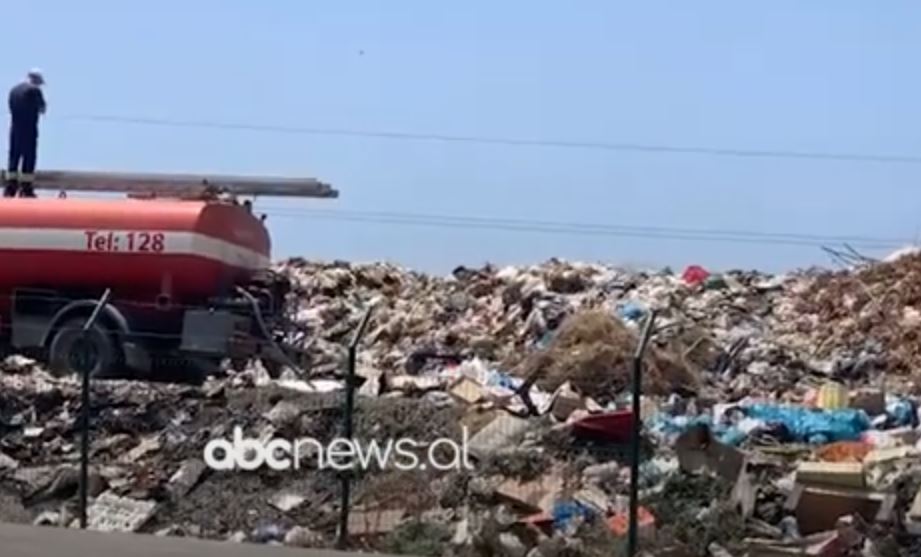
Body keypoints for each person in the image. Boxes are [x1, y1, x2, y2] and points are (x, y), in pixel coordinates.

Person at [4, 69, 46, 198]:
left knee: (14, 157)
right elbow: (42, 108)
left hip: (15, 129)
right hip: (29, 129)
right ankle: (26, 188)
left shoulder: (13, 90)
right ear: (36, 80)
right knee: (29, 158)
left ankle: (10, 187)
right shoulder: (34, 91)